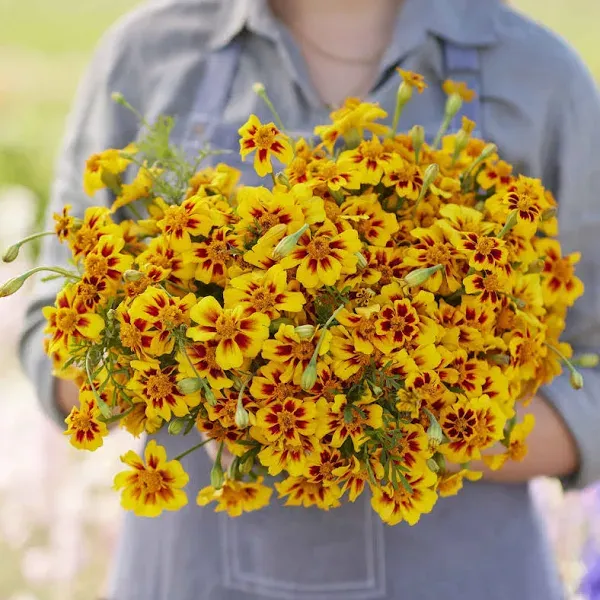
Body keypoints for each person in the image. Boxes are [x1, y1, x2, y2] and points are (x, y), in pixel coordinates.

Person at [18, 0, 600, 598]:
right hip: (194, 574)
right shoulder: (149, 52)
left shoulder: (538, 73)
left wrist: (444, 428)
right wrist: (175, 372)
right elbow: (49, 332)